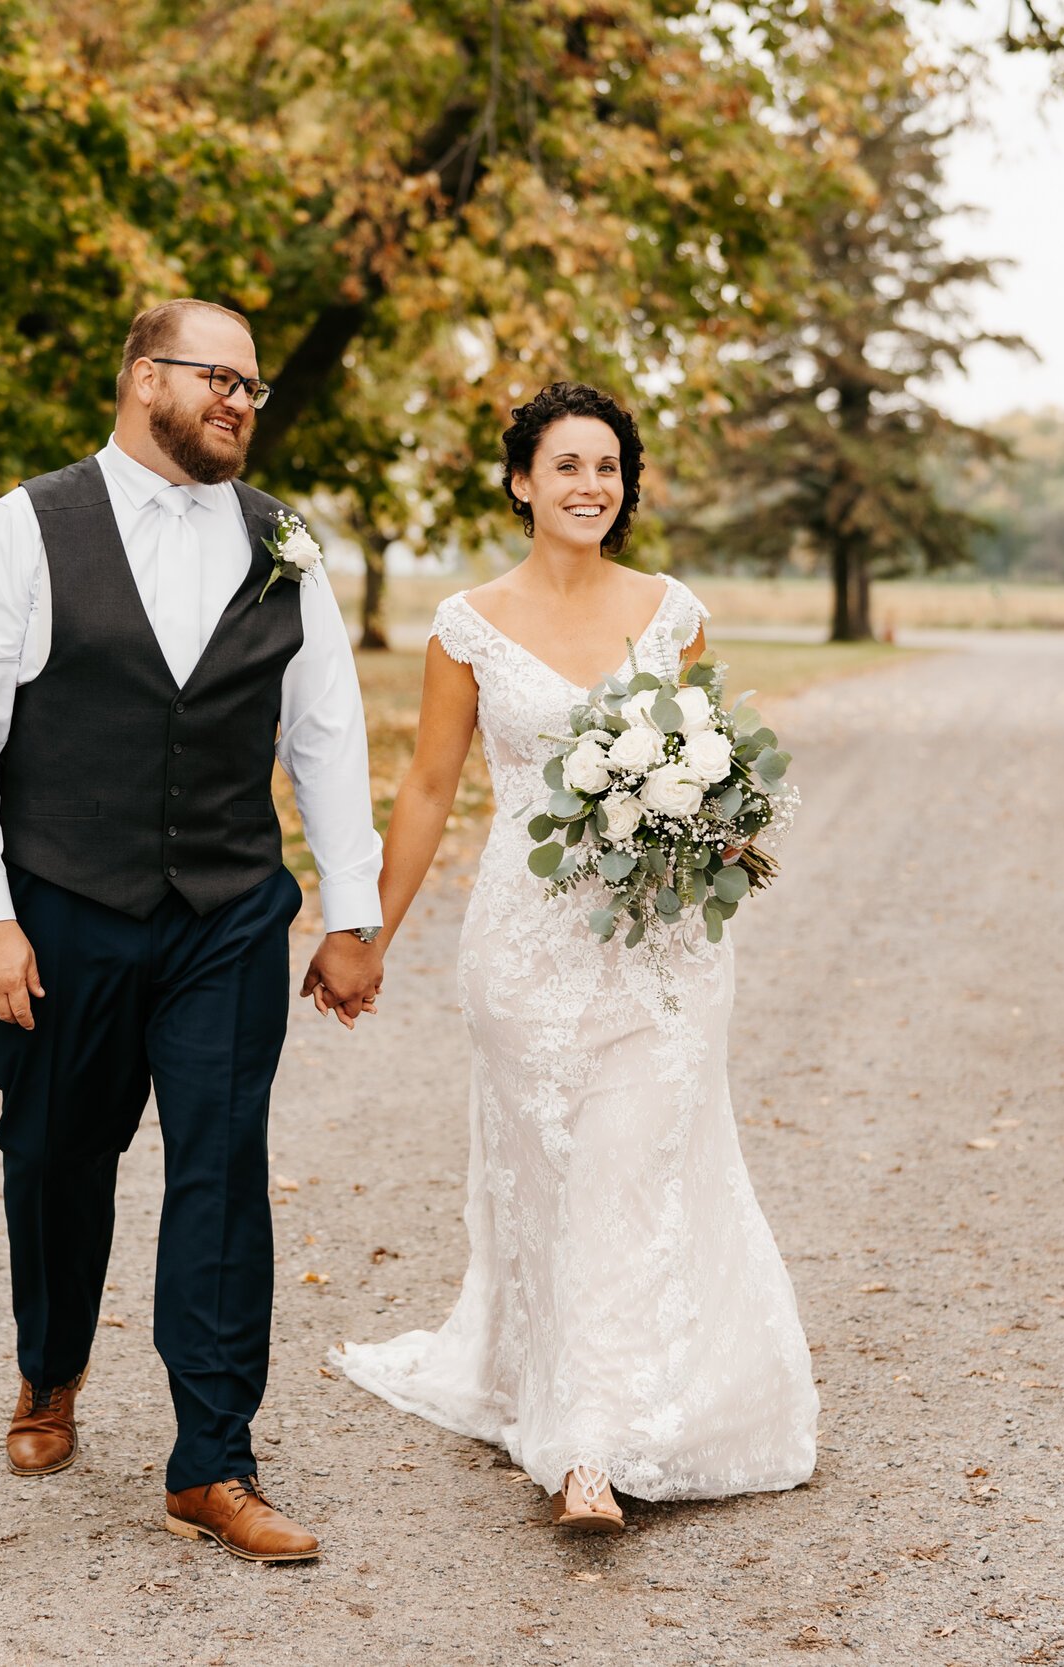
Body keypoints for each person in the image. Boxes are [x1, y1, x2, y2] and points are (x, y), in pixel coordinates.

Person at [0, 299, 384, 1563]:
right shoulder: (25, 527)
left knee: (222, 1168)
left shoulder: (285, 540)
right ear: (140, 380)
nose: (239, 400)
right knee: (57, 1153)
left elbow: (324, 730)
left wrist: (354, 910)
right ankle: (50, 1362)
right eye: (215, 377)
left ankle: (212, 1462)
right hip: (62, 908)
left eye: (253, 386)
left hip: (228, 911)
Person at [331, 382, 820, 1532]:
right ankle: (549, 1383)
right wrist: (368, 934)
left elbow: (711, 766)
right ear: (520, 481)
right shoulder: (466, 625)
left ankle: (588, 1444)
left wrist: (719, 822)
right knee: (550, 1178)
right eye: (566, 465)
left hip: (660, 952)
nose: (590, 484)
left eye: (608, 466)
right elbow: (431, 787)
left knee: (627, 1170)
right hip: (526, 949)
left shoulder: (669, 612)